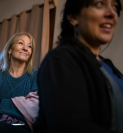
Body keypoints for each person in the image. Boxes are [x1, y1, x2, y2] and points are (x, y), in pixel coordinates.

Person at [33, 0, 123, 133]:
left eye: (115, 7)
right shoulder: (60, 59)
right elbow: (70, 126)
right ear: (74, 17)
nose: (112, 13)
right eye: (99, 3)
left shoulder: (109, 66)